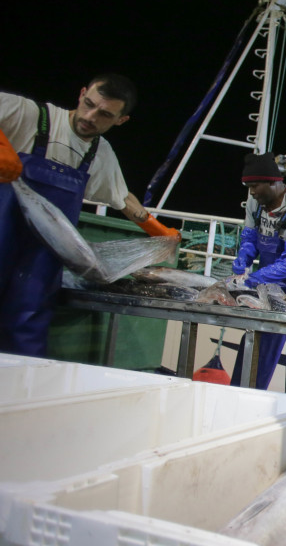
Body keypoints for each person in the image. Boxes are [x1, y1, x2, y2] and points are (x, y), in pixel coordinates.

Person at [0, 74, 180, 357]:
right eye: (89, 103)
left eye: (105, 114)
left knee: (27, 329)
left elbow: (122, 198)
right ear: (82, 93)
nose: (91, 116)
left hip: (41, 263)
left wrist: (158, 231)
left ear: (121, 120)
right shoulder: (31, 115)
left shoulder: (100, 154)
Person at [228, 151, 286, 395]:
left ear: (273, 182)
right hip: (267, 281)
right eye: (248, 186)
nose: (251, 192)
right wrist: (244, 258)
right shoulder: (256, 203)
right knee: (260, 339)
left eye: (255, 186)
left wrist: (255, 278)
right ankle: (243, 395)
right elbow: (249, 237)